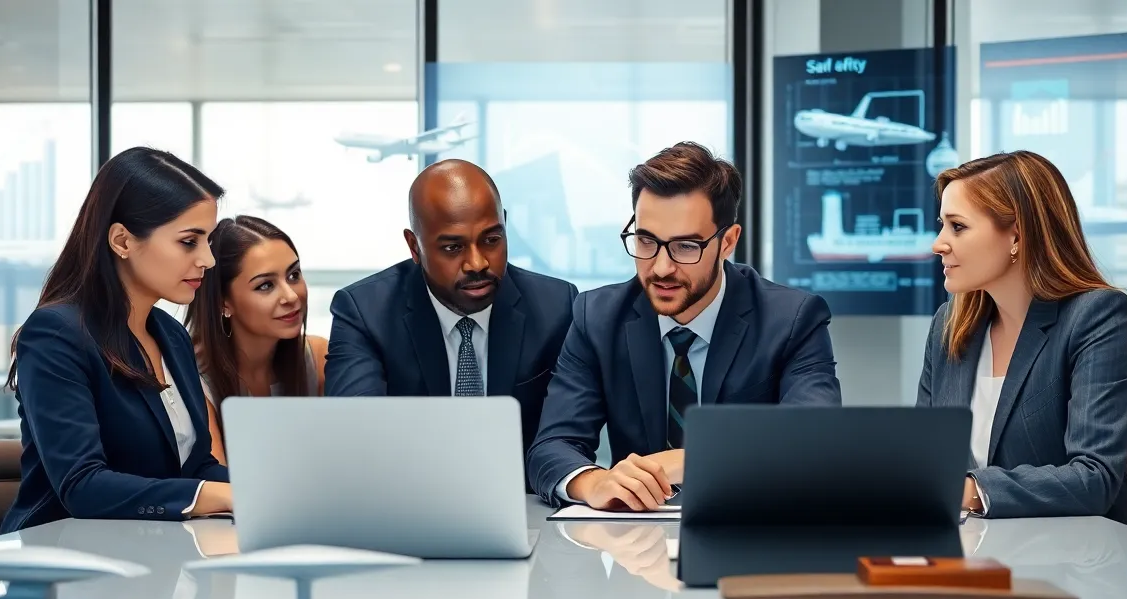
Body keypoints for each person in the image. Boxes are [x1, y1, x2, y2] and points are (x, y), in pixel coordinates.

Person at [527, 141, 842, 510]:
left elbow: (814, 438)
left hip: (748, 533)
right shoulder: (597, 316)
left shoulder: (792, 319)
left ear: (728, 242)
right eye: (645, 241)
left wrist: (687, 460)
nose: (661, 268)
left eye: (686, 247)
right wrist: (594, 482)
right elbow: (551, 448)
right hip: (635, 545)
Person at [917, 149, 1127, 526]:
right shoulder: (949, 324)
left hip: (1078, 565)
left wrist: (967, 490)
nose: (938, 243)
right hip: (974, 554)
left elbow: (1094, 478)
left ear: (1017, 233)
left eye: (957, 226)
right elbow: (926, 460)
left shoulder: (1096, 316)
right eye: (941, 225)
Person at [0, 147, 233, 533]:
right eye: (189, 241)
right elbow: (82, 485)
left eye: (208, 240)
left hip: (153, 558)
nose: (207, 259)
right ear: (122, 240)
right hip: (63, 565)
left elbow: (195, 467)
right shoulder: (56, 334)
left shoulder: (170, 335)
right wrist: (225, 497)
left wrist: (266, 491)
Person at [325, 159, 578, 459]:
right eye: (452, 248)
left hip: (525, 497)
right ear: (414, 246)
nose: (477, 264)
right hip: (410, 497)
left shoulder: (556, 306)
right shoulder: (365, 313)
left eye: (491, 240)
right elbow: (357, 437)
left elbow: (567, 437)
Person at [185, 215, 327, 463]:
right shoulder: (191, 379)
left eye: (293, 275)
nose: (291, 296)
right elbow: (219, 484)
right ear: (223, 302)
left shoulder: (317, 356)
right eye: (265, 286)